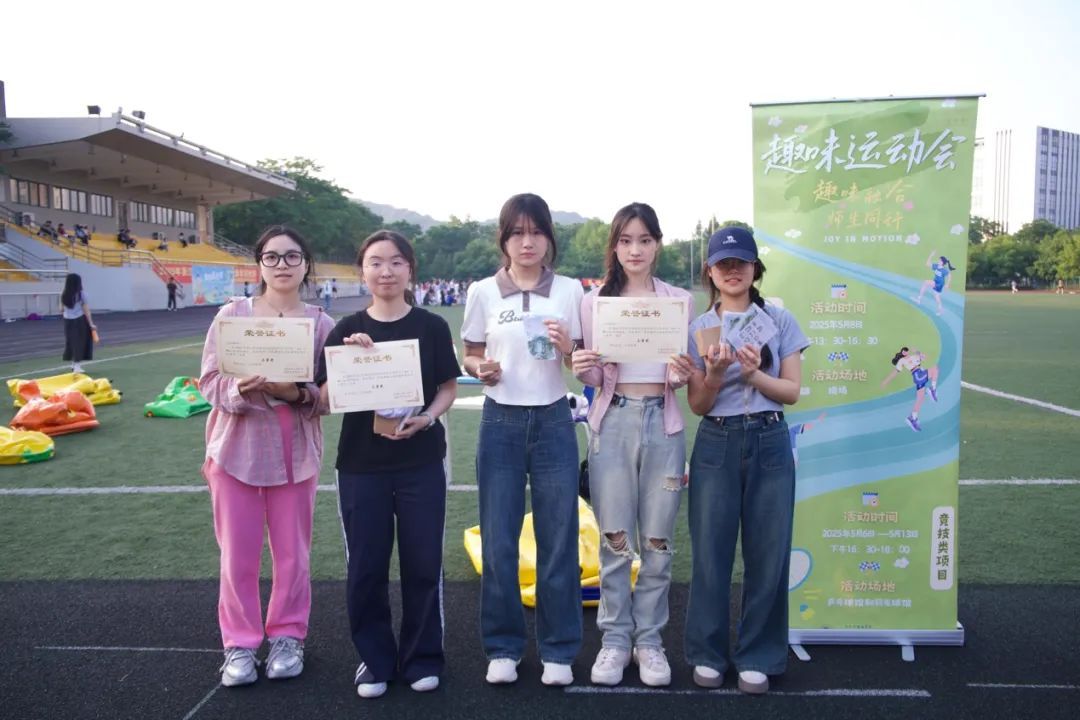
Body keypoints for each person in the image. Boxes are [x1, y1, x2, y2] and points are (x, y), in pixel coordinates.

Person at [315, 230, 459, 700]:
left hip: (421, 462)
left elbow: (447, 388)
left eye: (396, 262)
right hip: (361, 465)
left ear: (410, 270)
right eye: (376, 262)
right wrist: (348, 361)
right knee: (366, 567)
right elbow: (323, 400)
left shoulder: (432, 326)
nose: (386, 271)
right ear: (362, 271)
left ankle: (422, 657)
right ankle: (374, 660)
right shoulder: (346, 329)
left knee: (423, 563)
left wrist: (428, 418)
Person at [199, 225, 334, 688]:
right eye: (271, 257)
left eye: (292, 256)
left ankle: (287, 637)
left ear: (305, 264)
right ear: (258, 264)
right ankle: (238, 644)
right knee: (237, 555)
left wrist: (295, 393)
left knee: (293, 555)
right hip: (234, 450)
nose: (282, 265)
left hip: (295, 453)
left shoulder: (320, 324)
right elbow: (209, 381)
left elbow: (329, 396)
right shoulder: (231, 316)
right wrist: (239, 388)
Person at [461, 193, 585, 687]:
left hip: (554, 419)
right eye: (517, 232)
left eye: (536, 232)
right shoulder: (482, 292)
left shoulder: (571, 291)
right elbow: (471, 351)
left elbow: (583, 362)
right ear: (504, 239)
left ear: (549, 237)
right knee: (499, 541)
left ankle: (558, 649)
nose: (527, 242)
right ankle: (503, 647)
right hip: (501, 423)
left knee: (559, 539)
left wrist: (570, 347)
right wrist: (480, 368)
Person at [571, 203, 695, 687]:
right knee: (615, 541)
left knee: (658, 543)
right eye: (625, 240)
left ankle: (650, 642)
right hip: (614, 422)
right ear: (615, 246)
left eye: (644, 240)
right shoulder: (594, 303)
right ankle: (616, 640)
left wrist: (682, 375)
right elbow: (594, 376)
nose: (635, 249)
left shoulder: (678, 301)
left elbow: (686, 373)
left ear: (657, 244)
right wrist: (583, 368)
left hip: (664, 425)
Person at [684, 227, 808, 695]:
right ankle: (708, 653)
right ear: (710, 272)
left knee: (769, 553)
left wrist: (755, 375)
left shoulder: (779, 319)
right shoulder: (699, 328)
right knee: (710, 552)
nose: (732, 270)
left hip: (769, 437)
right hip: (717, 439)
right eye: (723, 263)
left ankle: (758, 654)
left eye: (741, 262)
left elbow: (791, 392)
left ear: (756, 268)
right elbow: (698, 404)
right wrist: (715, 375)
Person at [880, 347, 939, 432]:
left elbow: (925, 357)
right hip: (918, 375)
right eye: (904, 351)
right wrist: (885, 382)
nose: (906, 352)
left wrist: (917, 352)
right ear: (902, 353)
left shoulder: (914, 356)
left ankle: (912, 418)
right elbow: (895, 372)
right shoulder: (902, 361)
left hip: (920, 374)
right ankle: (932, 389)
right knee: (935, 369)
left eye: (906, 351)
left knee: (920, 398)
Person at [60, 273, 97, 374]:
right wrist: (91, 324)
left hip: (67, 321)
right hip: (79, 320)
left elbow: (61, 309)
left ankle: (73, 364)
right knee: (80, 342)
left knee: (71, 342)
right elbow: (86, 310)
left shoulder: (63, 294)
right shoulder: (81, 294)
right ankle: (77, 366)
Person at [912, 251, 955, 315]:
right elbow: (927, 264)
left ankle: (919, 299)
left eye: (940, 260)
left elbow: (950, 276)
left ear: (942, 262)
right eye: (939, 260)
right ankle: (940, 310)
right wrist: (931, 255)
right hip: (936, 282)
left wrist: (947, 284)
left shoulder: (944, 270)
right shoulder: (936, 266)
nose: (938, 261)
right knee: (937, 297)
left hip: (939, 284)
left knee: (925, 282)